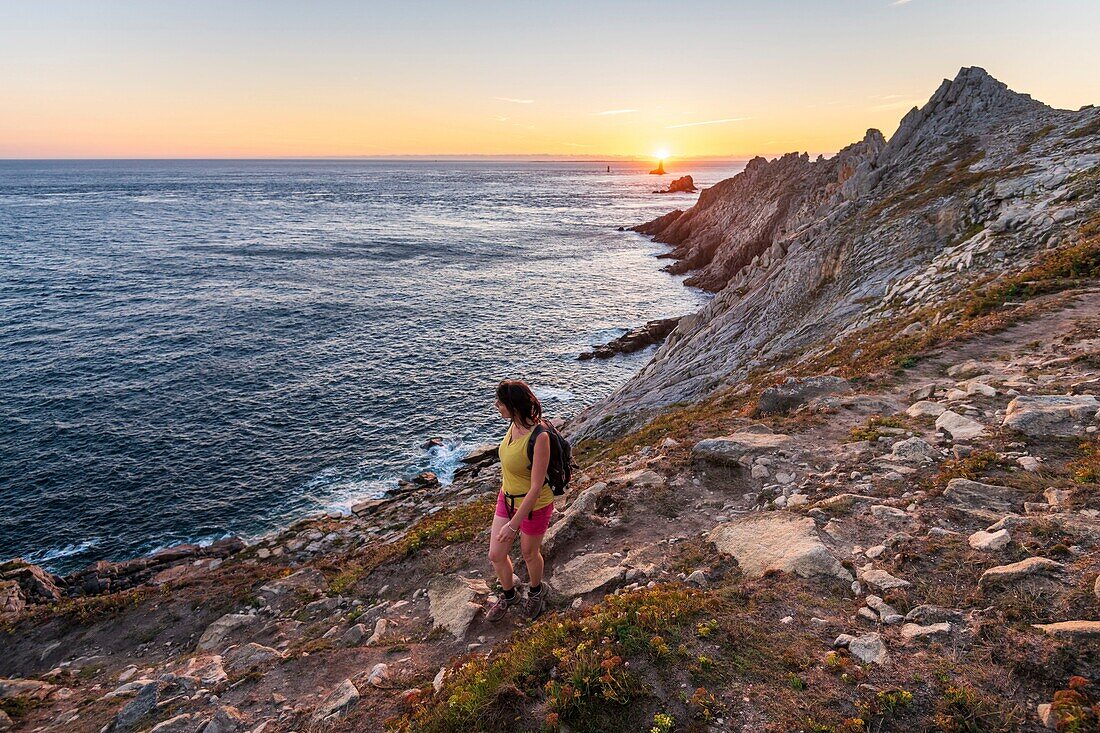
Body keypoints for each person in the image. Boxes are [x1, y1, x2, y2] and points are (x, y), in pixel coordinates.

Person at [485, 379, 555, 621]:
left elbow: (536, 488)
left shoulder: (540, 437)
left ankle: (536, 591)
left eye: (500, 402)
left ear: (513, 406)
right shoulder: (513, 425)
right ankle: (509, 595)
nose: (496, 405)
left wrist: (513, 524)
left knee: (528, 553)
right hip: (507, 498)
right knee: (496, 554)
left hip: (535, 505)